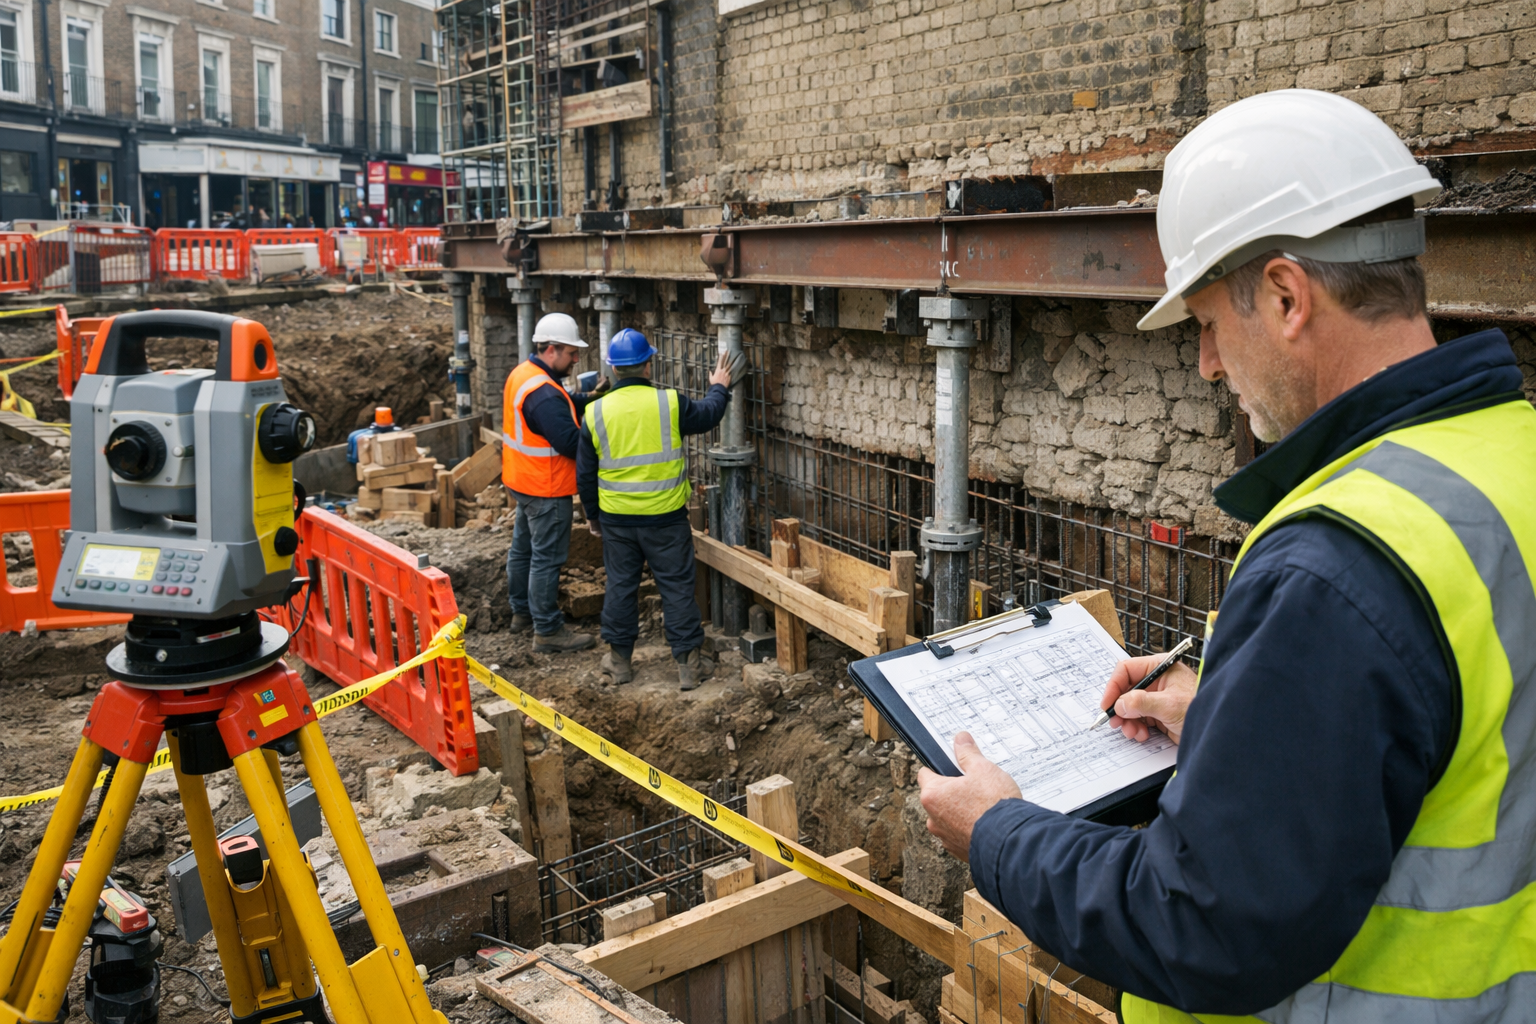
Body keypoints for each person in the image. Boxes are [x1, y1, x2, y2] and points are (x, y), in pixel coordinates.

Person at [916, 88, 1536, 1022]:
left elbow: (1201, 925)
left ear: (1287, 295)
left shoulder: (1332, 566)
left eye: (1208, 321)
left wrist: (997, 832)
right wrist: (1237, 722)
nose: (1206, 362)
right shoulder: (1506, 454)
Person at [576, 329, 740, 690]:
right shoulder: (669, 403)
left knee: (621, 586)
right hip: (665, 518)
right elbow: (710, 415)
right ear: (648, 365)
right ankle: (688, 665)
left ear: (614, 370)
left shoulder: (594, 412)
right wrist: (719, 385)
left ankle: (619, 663)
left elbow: (585, 474)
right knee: (677, 586)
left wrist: (593, 517)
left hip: (617, 520)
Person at [503, 313, 607, 653]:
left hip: (524, 481)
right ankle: (547, 630)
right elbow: (568, 440)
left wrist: (588, 397)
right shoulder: (544, 393)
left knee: (524, 550)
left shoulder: (526, 375)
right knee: (546, 559)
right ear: (551, 349)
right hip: (547, 488)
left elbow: (561, 405)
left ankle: (522, 614)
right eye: (571, 353)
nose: (576, 359)